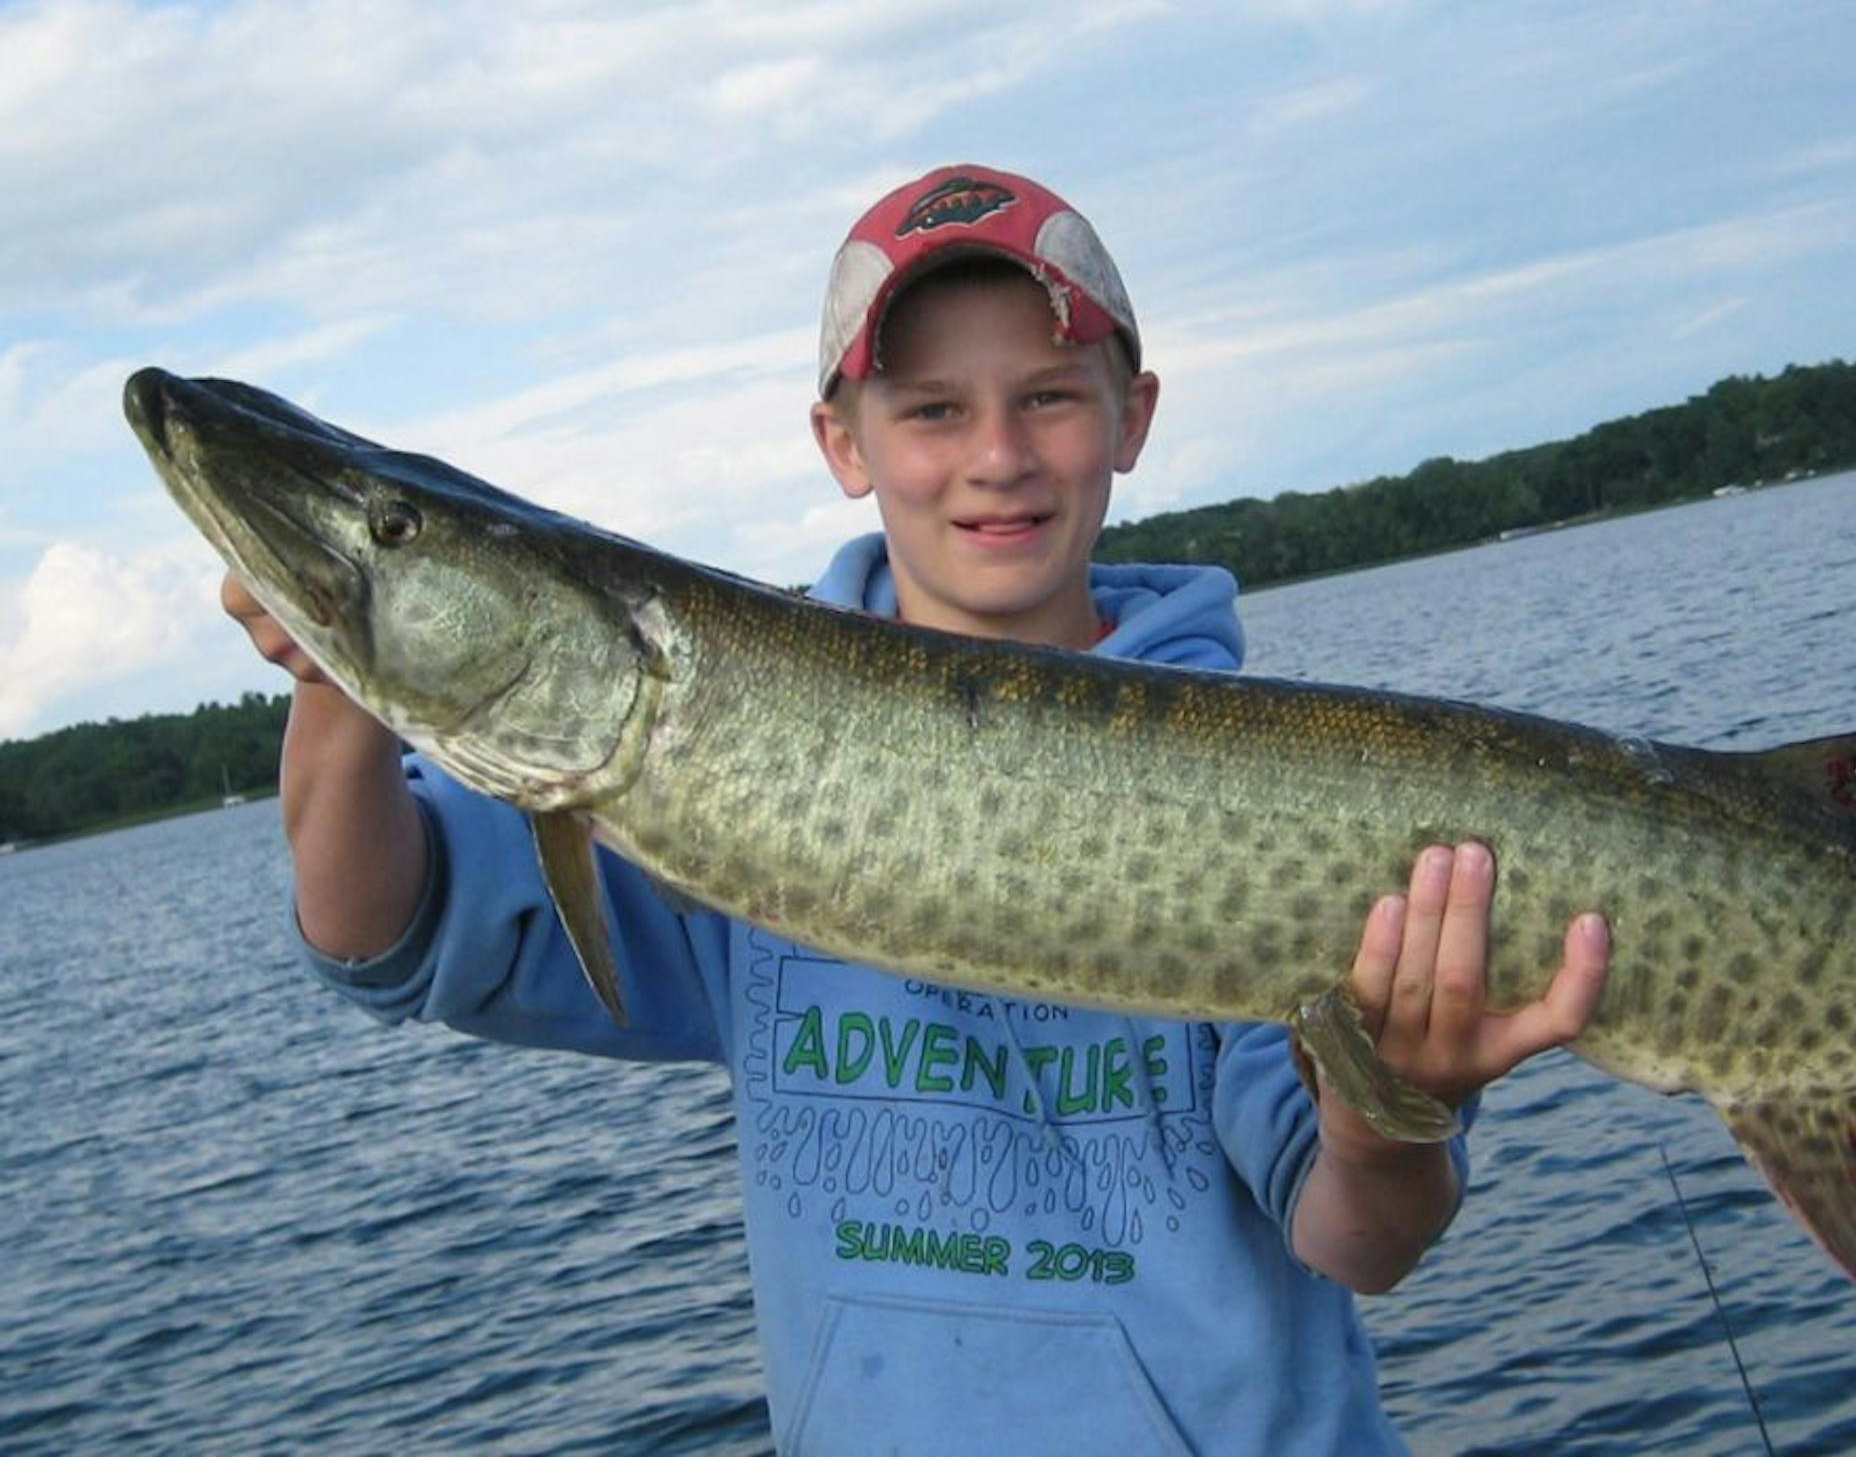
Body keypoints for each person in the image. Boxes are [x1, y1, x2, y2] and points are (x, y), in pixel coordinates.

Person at [225, 163, 1610, 1454]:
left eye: (1049, 397)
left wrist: (1388, 1118)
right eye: (933, 410)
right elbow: (379, 932)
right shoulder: (693, 777)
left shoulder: (1269, 814)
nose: (997, 454)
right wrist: (344, 665)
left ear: (1131, 417)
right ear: (845, 442)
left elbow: (1360, 1240)